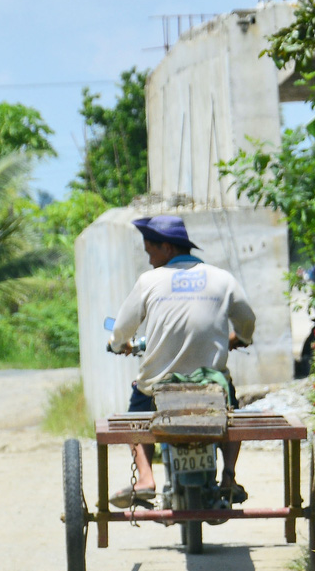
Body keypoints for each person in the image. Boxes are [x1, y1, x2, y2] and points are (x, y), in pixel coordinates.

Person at [107, 215, 257, 508]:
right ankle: (228, 477)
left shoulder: (149, 281)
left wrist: (118, 344)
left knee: (137, 411)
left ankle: (147, 478)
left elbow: (121, 329)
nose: (150, 260)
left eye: (151, 251)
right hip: (210, 383)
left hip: (159, 386)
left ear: (167, 247)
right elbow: (247, 321)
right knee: (231, 411)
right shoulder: (221, 278)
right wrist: (241, 338)